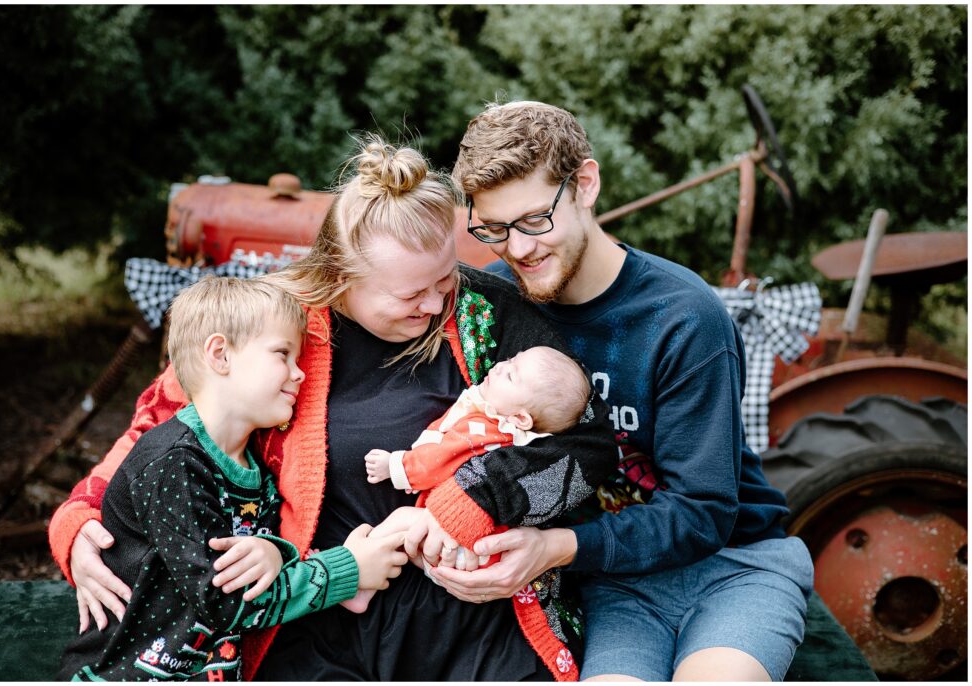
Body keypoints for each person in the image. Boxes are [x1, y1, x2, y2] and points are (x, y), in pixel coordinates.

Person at [47, 135, 616, 681]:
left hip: (471, 622)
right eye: (410, 294)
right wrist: (78, 520)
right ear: (340, 277)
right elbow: (160, 427)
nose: (438, 302)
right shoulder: (270, 322)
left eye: (445, 278)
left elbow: (588, 453)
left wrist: (465, 501)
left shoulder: (485, 314)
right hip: (310, 619)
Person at [432, 101, 814, 682]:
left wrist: (555, 547)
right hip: (617, 582)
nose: (519, 248)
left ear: (585, 184)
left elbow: (703, 512)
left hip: (733, 563)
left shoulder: (684, 318)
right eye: (494, 230)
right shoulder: (494, 304)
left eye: (536, 219)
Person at [57, 276, 407, 681]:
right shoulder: (174, 464)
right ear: (220, 354)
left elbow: (248, 561)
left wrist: (276, 553)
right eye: (283, 354)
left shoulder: (252, 467)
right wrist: (347, 571)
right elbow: (224, 600)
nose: (299, 374)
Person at [350, 345, 590, 612]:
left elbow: (440, 460)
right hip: (479, 555)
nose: (500, 366)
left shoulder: (485, 432)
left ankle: (358, 581)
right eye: (510, 359)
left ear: (521, 418)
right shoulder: (521, 441)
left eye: (511, 375)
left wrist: (395, 466)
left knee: (401, 521)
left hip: (471, 553)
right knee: (408, 536)